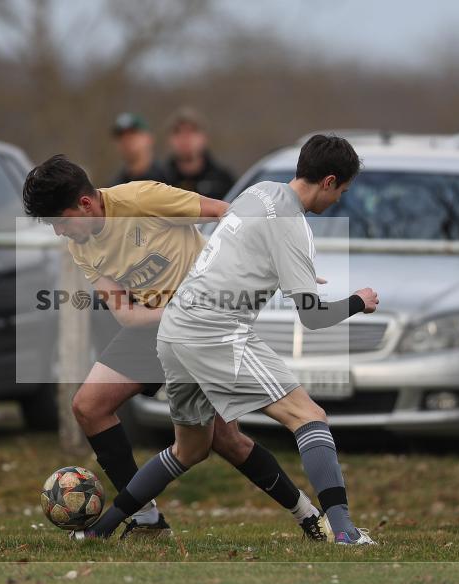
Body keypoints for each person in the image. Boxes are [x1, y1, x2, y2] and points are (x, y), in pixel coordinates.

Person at [75, 134, 379, 545]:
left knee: (189, 450)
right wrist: (359, 301)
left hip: (173, 330)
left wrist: (296, 273)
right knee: (309, 416)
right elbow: (313, 317)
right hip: (214, 330)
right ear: (328, 181)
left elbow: (245, 249)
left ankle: (101, 528)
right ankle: (343, 531)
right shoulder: (294, 227)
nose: (339, 198)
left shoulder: (258, 192)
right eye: (341, 190)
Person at [22, 155, 331, 541]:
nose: (58, 232)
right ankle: (146, 519)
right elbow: (127, 315)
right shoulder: (80, 245)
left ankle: (309, 516)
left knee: (226, 441)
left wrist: (286, 261)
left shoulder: (142, 198)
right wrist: (178, 311)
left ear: (85, 204)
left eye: (60, 221)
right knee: (88, 406)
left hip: (206, 326)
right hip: (156, 324)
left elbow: (229, 215)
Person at [164, 107, 235, 199]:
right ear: (169, 139)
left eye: (192, 131)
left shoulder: (223, 181)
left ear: (205, 137)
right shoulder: (159, 181)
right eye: (177, 131)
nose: (184, 137)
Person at [110, 112, 167, 186]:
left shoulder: (170, 179)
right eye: (121, 136)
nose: (126, 140)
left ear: (149, 138)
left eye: (133, 134)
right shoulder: (115, 187)